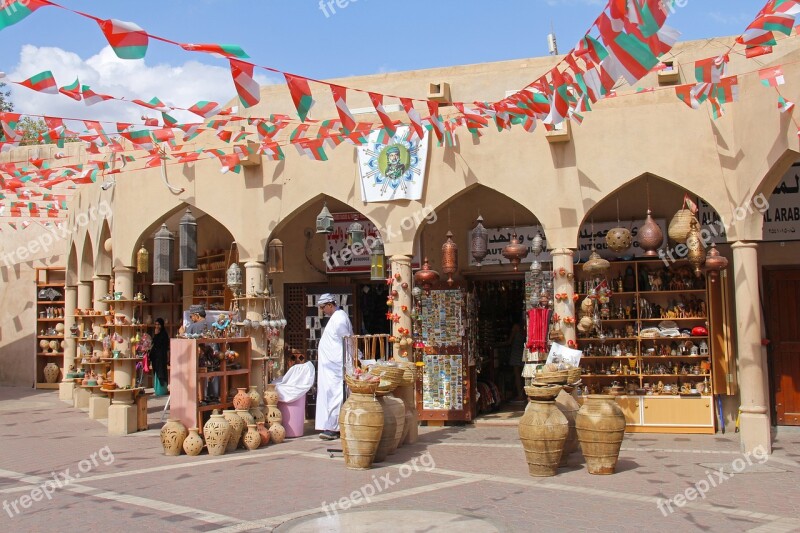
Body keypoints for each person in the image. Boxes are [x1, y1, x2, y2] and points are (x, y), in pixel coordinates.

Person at [315, 293, 353, 441]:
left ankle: (334, 427)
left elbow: (347, 340)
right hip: (330, 367)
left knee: (335, 396)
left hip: (336, 367)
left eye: (323, 307)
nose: (323, 310)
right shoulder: (335, 318)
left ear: (330, 305)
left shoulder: (339, 318)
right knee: (329, 395)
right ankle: (331, 426)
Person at [501, 320, 526, 402]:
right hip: (523, 351)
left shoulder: (516, 326)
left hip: (516, 351)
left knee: (517, 375)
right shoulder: (524, 327)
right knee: (523, 374)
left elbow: (509, 341)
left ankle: (520, 395)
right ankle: (524, 393)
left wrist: (497, 344)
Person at [149, 318, 170, 397]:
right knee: (156, 371)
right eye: (156, 324)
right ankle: (157, 389)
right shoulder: (157, 333)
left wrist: (157, 335)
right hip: (156, 357)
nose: (157, 326)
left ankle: (162, 390)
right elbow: (154, 343)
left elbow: (160, 344)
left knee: (161, 371)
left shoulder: (164, 334)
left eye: (159, 324)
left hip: (161, 356)